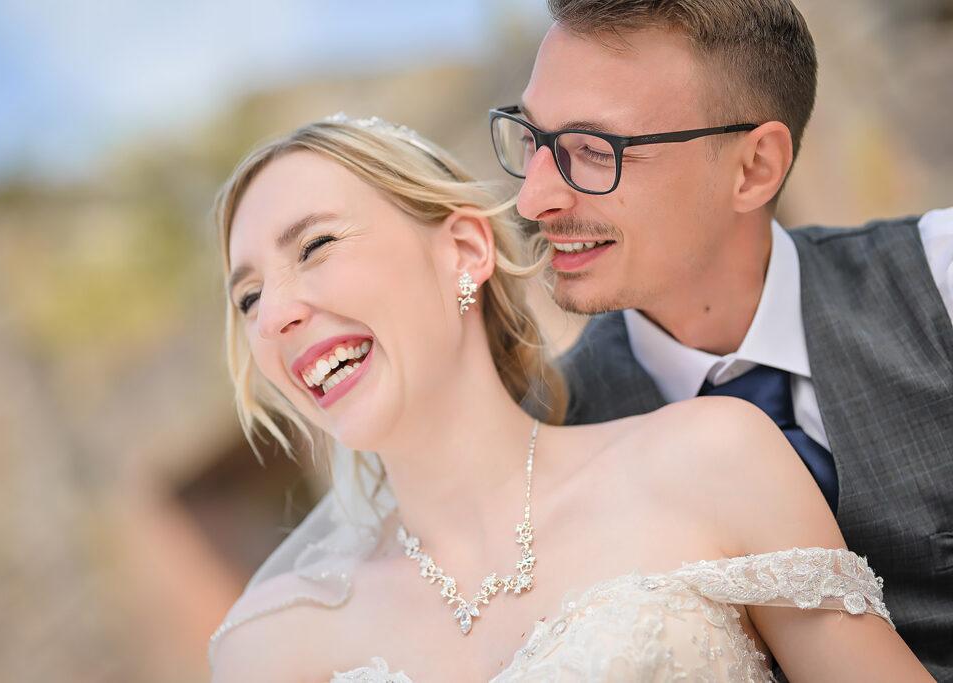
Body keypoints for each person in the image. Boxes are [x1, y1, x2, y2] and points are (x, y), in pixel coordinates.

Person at [206, 115, 929, 681]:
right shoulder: (269, 646)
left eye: (315, 246)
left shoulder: (712, 459)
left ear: (463, 250)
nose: (274, 316)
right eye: (248, 297)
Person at [487, 0, 953, 679]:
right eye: (532, 140)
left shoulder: (937, 280)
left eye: (593, 151)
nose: (533, 199)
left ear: (754, 168)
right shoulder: (540, 431)